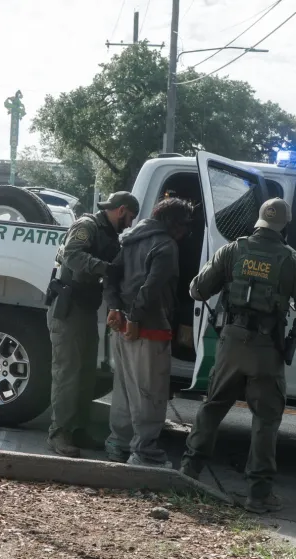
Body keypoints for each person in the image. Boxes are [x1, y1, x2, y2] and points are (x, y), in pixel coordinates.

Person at [179, 198, 296, 514]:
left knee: (213, 407)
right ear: (285, 225)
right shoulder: (292, 262)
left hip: (230, 345)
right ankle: (258, 494)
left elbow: (198, 290)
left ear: (259, 220)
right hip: (266, 350)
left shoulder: (232, 251)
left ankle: (188, 473)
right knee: (265, 420)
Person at [103, 197, 194, 468]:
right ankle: (145, 454)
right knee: (150, 394)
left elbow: (111, 275)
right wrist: (135, 318)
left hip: (122, 326)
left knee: (124, 388)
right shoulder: (166, 246)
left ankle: (118, 445)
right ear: (174, 223)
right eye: (185, 225)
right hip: (149, 327)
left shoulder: (129, 238)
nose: (186, 232)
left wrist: (115, 309)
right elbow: (151, 288)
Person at [47, 191, 139, 458]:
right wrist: (106, 268)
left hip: (85, 309)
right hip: (68, 308)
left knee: (86, 373)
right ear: (121, 210)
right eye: (130, 217)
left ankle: (77, 430)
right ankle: (58, 434)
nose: (130, 224)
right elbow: (72, 256)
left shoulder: (109, 234)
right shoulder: (87, 226)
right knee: (68, 373)